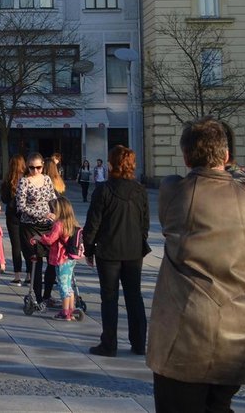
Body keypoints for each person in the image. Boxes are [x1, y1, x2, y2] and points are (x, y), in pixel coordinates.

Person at [147, 118, 245, 411]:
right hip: (239, 333)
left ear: (185, 157)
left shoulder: (173, 191)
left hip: (184, 334)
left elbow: (170, 210)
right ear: (227, 156)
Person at [81, 144, 149, 358]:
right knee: (134, 296)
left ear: (111, 164)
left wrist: (89, 248)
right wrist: (140, 241)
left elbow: (93, 222)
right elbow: (144, 223)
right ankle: (139, 342)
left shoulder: (104, 190)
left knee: (109, 298)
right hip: (133, 250)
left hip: (109, 251)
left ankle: (109, 344)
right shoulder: (140, 190)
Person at [16, 152, 57, 308]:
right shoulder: (24, 182)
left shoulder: (47, 179)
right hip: (30, 226)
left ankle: (47, 294)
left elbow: (52, 198)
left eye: (38, 167)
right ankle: (38, 297)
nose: (35, 171)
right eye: (32, 168)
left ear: (43, 166)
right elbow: (21, 207)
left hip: (47, 225)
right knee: (36, 262)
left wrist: (57, 213)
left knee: (53, 260)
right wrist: (42, 213)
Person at [31, 196, 81, 321]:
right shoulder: (72, 222)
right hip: (70, 258)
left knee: (63, 286)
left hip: (60, 259)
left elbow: (50, 240)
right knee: (68, 285)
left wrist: (38, 237)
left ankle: (64, 312)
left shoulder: (59, 224)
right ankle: (70, 310)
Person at [0, 155, 27, 286]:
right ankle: (29, 274)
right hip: (25, 215)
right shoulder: (27, 179)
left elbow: (4, 198)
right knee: (28, 245)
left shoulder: (8, 179)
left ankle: (17, 275)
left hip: (12, 215)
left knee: (16, 246)